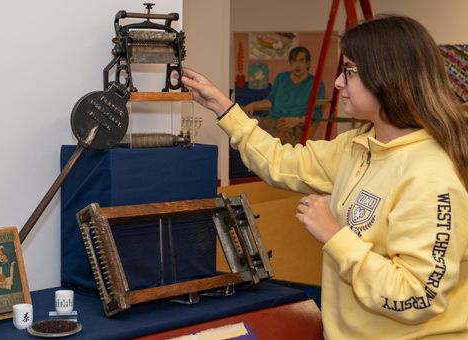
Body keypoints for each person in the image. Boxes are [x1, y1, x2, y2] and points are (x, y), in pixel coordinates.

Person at [182, 15, 468, 339]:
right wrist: (226, 110)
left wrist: (335, 236)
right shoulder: (357, 145)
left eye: (349, 71)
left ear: (388, 75)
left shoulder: (430, 175)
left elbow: (416, 297)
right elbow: (281, 163)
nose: (337, 83)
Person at [242, 46, 326, 144]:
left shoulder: (316, 83)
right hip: (272, 121)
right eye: (294, 61)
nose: (297, 65)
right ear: (290, 63)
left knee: (267, 144)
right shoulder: (281, 78)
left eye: (301, 61)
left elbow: (316, 114)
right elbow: (270, 101)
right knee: (241, 122)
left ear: (308, 63)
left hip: (294, 127)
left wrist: (297, 120)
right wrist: (252, 105)